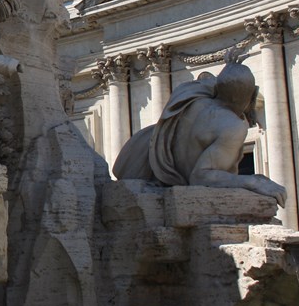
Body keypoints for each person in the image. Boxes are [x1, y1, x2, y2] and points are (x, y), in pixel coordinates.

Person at [112, 61, 287, 206]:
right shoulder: (232, 127)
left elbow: (208, 80)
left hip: (133, 161)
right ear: (252, 96)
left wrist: (230, 67)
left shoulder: (190, 93)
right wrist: (253, 181)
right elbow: (201, 175)